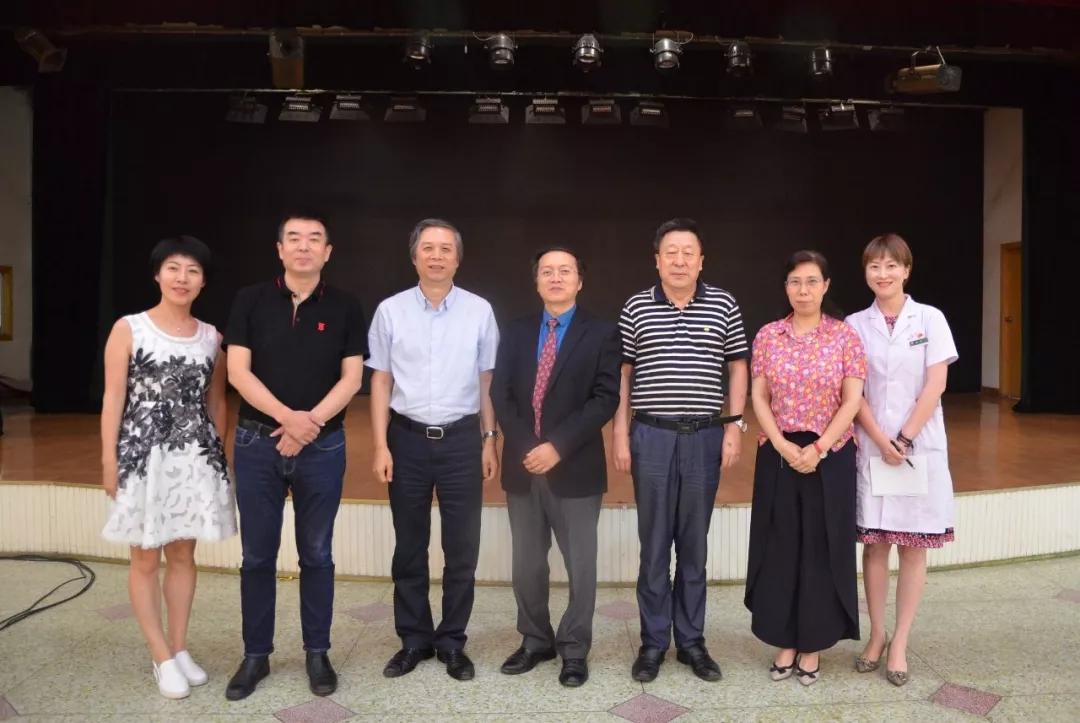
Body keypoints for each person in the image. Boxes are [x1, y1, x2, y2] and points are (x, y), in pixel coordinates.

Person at [223, 212, 367, 700]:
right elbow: (237, 373)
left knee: (318, 554)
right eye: (294, 239)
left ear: (328, 252)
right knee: (256, 556)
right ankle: (255, 655)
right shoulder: (249, 300)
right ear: (280, 249)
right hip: (257, 444)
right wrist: (289, 419)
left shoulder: (346, 306)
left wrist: (309, 426)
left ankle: (317, 652)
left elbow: (352, 378)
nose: (304, 247)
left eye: (314, 240)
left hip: (322, 446)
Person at [612, 218, 750, 683]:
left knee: (694, 545)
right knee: (653, 546)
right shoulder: (636, 306)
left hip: (704, 436)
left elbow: (738, 367)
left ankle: (691, 642)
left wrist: (734, 427)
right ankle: (653, 642)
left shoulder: (723, 304)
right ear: (657, 260)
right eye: (670, 252)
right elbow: (623, 374)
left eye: (688, 252)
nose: (679, 260)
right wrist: (619, 433)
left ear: (701, 261)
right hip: (651, 436)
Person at [101, 235, 237, 699]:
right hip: (143, 456)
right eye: (174, 268)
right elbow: (113, 398)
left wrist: (218, 459)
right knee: (144, 556)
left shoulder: (212, 337)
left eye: (193, 271)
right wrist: (108, 459)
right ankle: (159, 655)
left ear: (203, 282)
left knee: (182, 555)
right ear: (158, 274)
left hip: (193, 457)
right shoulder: (129, 328)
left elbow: (217, 402)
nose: (182, 278)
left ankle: (179, 648)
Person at [367, 218, 499, 682]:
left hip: (462, 441)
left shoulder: (480, 310)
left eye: (446, 249)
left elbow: (486, 381)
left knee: (462, 548)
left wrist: (489, 440)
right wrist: (380, 444)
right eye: (428, 248)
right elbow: (380, 380)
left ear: (458, 259)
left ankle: (452, 641)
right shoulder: (390, 311)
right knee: (409, 546)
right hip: (406, 440)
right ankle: (414, 639)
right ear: (414, 256)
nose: (437, 256)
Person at [491, 247, 621, 687]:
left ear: (579, 281)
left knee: (581, 565)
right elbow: (501, 394)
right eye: (547, 271)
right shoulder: (516, 331)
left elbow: (605, 398)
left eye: (565, 271)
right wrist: (529, 446)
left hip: (576, 467)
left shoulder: (601, 333)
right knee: (527, 564)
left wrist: (557, 447)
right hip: (524, 465)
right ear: (536, 281)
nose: (556, 278)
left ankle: (574, 647)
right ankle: (535, 640)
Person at [744, 249, 866, 686]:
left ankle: (812, 644)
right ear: (786, 287)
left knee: (819, 547)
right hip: (777, 454)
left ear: (826, 285)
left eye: (812, 281)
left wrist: (819, 448)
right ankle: (785, 640)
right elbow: (759, 396)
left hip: (829, 455)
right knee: (780, 547)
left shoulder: (845, 336)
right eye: (795, 281)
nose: (803, 290)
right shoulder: (768, 335)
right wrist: (780, 443)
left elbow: (852, 400)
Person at [846, 233, 958, 687]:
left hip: (918, 447)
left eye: (892, 265)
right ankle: (876, 635)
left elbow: (936, 384)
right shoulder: (855, 324)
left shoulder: (930, 319)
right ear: (865, 272)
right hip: (873, 447)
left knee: (913, 547)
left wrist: (906, 438)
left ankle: (900, 643)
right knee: (875, 546)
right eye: (874, 265)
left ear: (907, 270)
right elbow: (853, 391)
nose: (883, 273)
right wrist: (881, 438)